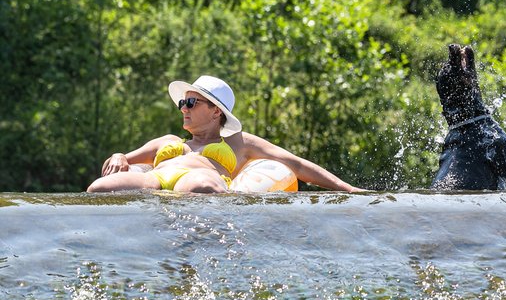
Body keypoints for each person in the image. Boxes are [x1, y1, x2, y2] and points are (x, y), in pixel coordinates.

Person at [88, 75, 363, 193]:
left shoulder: (238, 142)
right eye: (182, 103)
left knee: (199, 186)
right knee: (98, 188)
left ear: (216, 111)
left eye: (191, 103)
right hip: (156, 179)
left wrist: (347, 188)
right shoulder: (169, 141)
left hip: (203, 178)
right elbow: (126, 157)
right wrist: (118, 155)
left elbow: (297, 164)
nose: (183, 108)